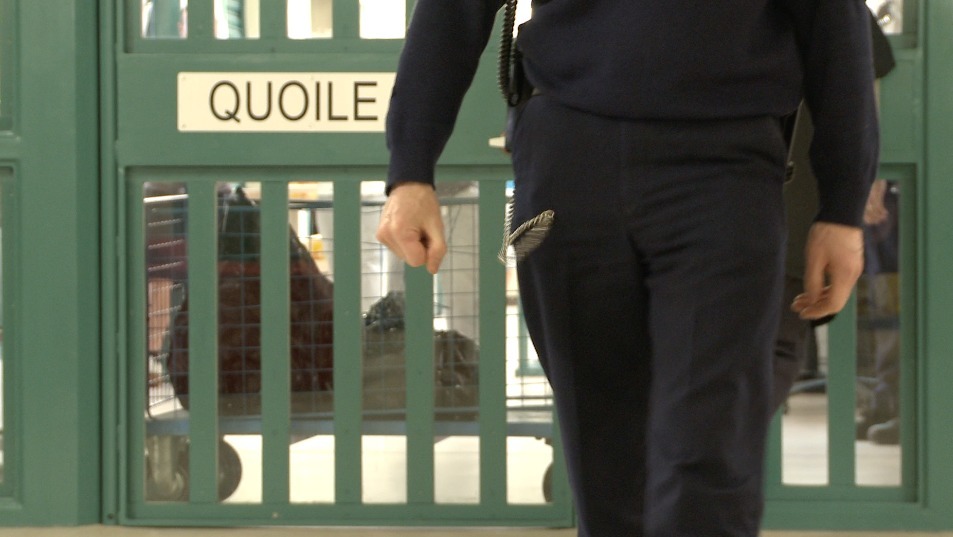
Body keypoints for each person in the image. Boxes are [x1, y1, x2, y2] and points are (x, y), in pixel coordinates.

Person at [376, 1, 879, 535]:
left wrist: (843, 208)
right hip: (565, 155)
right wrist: (409, 170)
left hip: (724, 164)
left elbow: (836, 25)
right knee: (604, 451)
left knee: (709, 441)